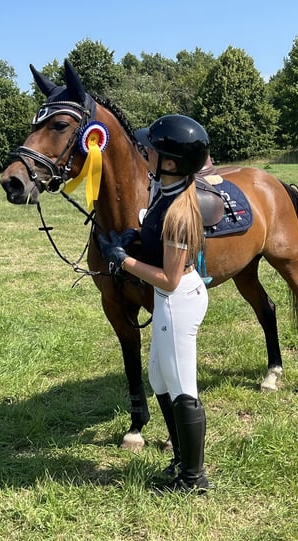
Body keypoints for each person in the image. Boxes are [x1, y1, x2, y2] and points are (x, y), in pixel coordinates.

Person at [99, 114, 212, 493]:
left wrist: (122, 260)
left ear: (170, 163)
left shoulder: (179, 212)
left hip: (177, 299)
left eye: (151, 148)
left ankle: (194, 479)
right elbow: (152, 227)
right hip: (167, 302)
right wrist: (134, 236)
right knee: (160, 380)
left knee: (182, 386)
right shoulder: (163, 192)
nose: (144, 150)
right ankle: (181, 458)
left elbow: (169, 277)